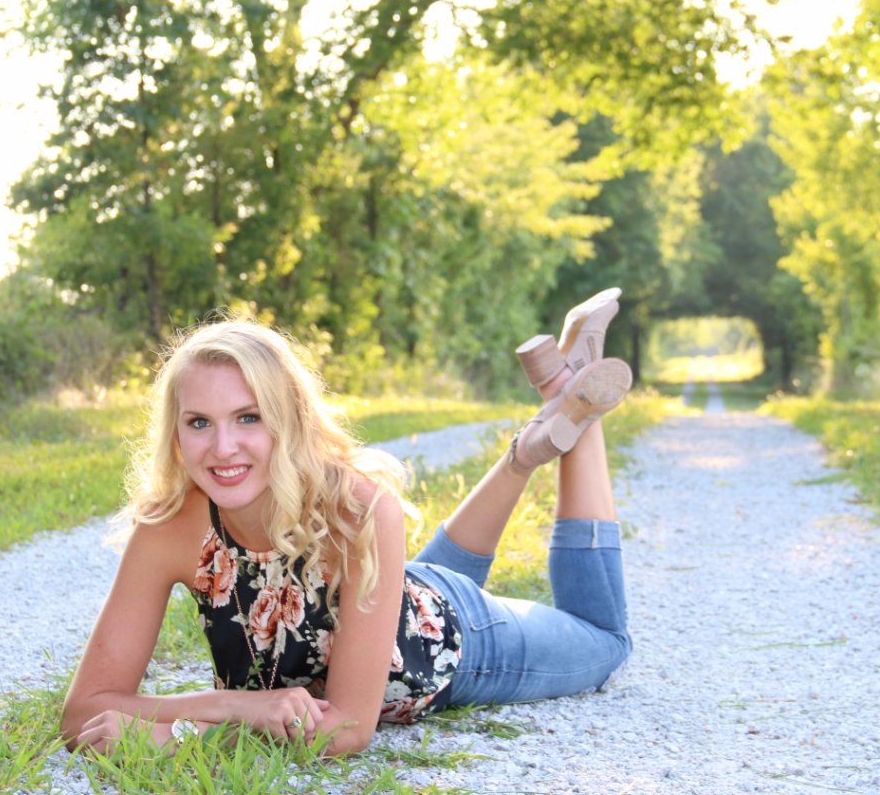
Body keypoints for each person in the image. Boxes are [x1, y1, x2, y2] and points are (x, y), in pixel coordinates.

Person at [62, 288, 634, 757]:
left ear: (289, 418)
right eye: (199, 422)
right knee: (410, 580)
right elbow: (84, 709)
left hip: (456, 641)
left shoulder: (359, 509)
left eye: (248, 417)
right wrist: (239, 704)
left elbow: (347, 729)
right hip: (389, 595)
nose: (223, 447)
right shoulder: (168, 529)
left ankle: (577, 404)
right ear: (175, 431)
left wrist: (186, 732)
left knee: (607, 643)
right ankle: (528, 450)